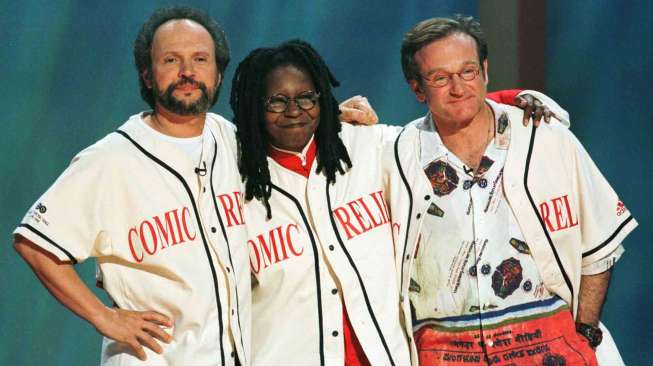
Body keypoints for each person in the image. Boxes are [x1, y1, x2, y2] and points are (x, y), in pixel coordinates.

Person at [229, 39, 564, 366]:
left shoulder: (366, 145)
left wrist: (510, 100)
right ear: (253, 106)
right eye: (276, 101)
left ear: (322, 98)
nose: (293, 112)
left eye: (305, 98)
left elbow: (439, 129)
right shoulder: (233, 182)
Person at [13, 6, 251, 365]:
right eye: (171, 60)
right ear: (147, 75)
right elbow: (33, 242)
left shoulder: (231, 139)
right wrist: (103, 316)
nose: (188, 72)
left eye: (200, 59)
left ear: (218, 73)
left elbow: (297, 141)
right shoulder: (110, 159)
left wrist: (340, 118)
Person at [396, 15, 637, 365]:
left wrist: (584, 333)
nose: (459, 88)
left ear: (485, 70)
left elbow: (601, 245)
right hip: (444, 351)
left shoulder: (546, 139)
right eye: (439, 78)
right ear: (417, 88)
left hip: (549, 350)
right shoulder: (397, 156)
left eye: (467, 72)